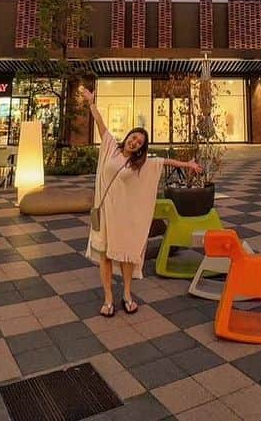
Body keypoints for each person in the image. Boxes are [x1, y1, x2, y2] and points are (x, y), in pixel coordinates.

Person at [80, 84, 202, 317]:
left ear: (140, 148)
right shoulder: (109, 148)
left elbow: (163, 163)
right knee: (105, 255)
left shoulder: (141, 164)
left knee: (125, 253)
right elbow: (99, 122)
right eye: (134, 137)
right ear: (128, 136)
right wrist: (91, 101)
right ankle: (108, 298)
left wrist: (188, 165)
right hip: (105, 213)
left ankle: (126, 294)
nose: (135, 142)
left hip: (123, 216)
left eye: (139, 143)